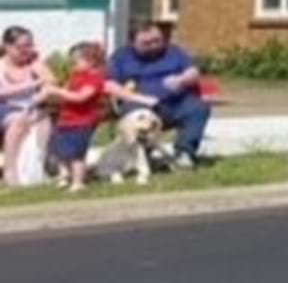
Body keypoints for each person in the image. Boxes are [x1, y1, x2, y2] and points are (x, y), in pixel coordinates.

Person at [106, 20, 215, 166]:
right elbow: (109, 85)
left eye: (157, 41)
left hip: (175, 104)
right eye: (146, 43)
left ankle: (184, 153)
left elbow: (193, 72)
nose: (153, 45)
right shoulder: (121, 57)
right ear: (132, 42)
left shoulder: (173, 52)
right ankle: (141, 157)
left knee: (198, 108)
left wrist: (181, 79)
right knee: (138, 114)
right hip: (140, 105)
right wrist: (139, 98)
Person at [42, 41, 118, 192]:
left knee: (76, 153)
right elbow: (67, 92)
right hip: (66, 121)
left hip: (81, 122)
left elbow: (81, 97)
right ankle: (65, 176)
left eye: (75, 62)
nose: (72, 65)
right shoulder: (76, 76)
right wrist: (54, 94)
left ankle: (78, 182)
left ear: (90, 62)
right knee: (62, 151)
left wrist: (58, 92)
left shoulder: (94, 79)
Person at [1, 25, 52, 186]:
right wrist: (34, 84)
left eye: (29, 45)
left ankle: (37, 168)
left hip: (32, 106)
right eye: (21, 47)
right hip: (7, 107)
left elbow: (50, 82)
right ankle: (11, 170)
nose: (26, 50)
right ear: (7, 46)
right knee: (17, 122)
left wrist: (37, 98)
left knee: (44, 121)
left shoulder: (34, 63)